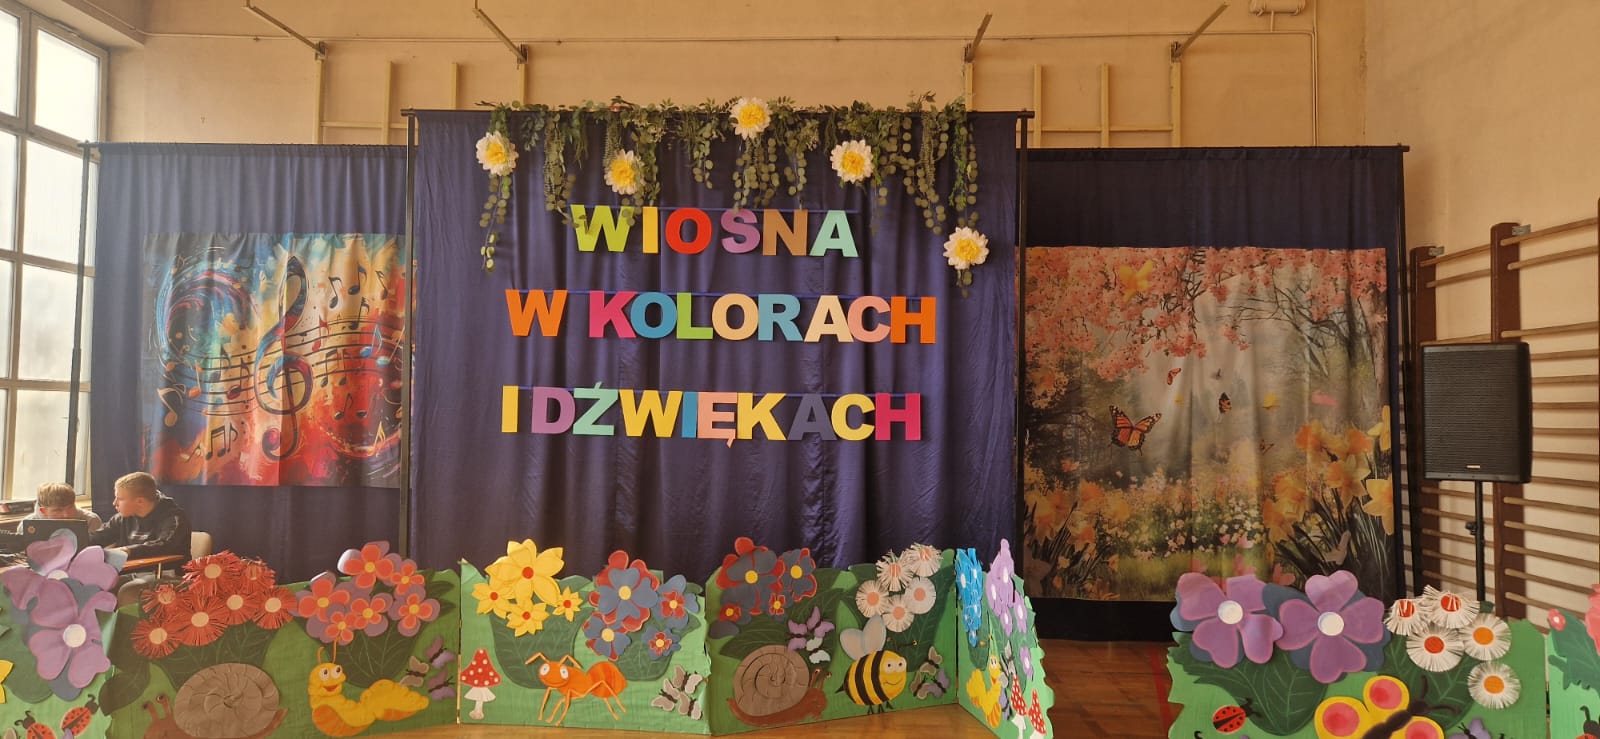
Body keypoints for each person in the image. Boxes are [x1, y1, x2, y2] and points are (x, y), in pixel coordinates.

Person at [90, 471, 191, 561]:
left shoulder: (174, 518)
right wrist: (80, 544)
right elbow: (98, 537)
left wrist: (128, 550)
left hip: (164, 572)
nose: (114, 503)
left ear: (140, 501)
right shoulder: (122, 518)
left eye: (120, 499)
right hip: (131, 571)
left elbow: (166, 545)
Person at [16, 482, 103, 535]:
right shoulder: (27, 525)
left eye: (70, 507)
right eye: (58, 510)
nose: (66, 515)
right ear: (43, 511)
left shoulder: (91, 520)